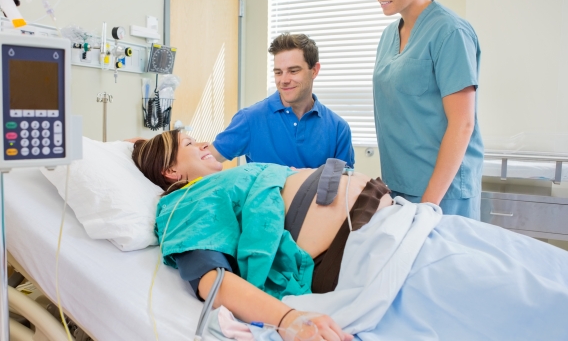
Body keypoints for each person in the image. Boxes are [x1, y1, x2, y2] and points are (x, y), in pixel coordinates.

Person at [131, 131, 568, 340]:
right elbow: (211, 280)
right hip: (368, 255)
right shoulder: (185, 204)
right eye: (191, 145)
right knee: (531, 296)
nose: (205, 144)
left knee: (541, 265)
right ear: (172, 171)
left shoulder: (232, 176)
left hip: (402, 223)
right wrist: (288, 320)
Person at [368, 0, 484, 219]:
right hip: (399, 187)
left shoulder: (450, 32)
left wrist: (429, 204)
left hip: (442, 192)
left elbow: (463, 123)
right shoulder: (388, 36)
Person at [206, 33, 355, 169]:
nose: (284, 80)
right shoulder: (250, 119)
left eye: (293, 71)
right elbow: (204, 163)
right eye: (278, 72)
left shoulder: (338, 129)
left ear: (314, 70)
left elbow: (343, 185)